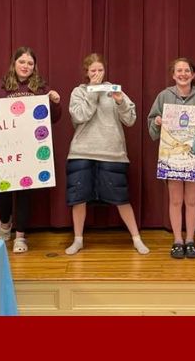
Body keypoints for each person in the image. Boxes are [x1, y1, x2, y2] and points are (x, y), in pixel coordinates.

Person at [0, 47, 62, 253]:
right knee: (1, 190)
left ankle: (20, 236)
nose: (26, 66)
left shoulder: (41, 87)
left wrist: (55, 102)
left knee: (24, 193)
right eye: (22, 62)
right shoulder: (0, 86)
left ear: (34, 67)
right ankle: (5, 222)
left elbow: (53, 118)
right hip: (3, 149)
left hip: (29, 150)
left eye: (30, 63)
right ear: (14, 64)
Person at [62, 53, 146, 255]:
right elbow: (80, 115)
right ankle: (78, 239)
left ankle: (136, 238)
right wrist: (93, 92)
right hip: (82, 151)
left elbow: (131, 119)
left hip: (112, 151)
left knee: (121, 197)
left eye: (100, 70)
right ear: (86, 72)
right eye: (93, 71)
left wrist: (120, 102)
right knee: (78, 198)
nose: (97, 74)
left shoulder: (114, 90)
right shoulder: (78, 92)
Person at [146, 57, 195, 259]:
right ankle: (177, 240)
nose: (183, 74)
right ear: (173, 74)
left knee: (192, 200)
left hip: (194, 157)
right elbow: (151, 121)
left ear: (193, 74)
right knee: (176, 200)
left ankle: (190, 240)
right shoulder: (164, 96)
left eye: (187, 70)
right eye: (179, 70)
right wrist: (158, 122)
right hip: (172, 157)